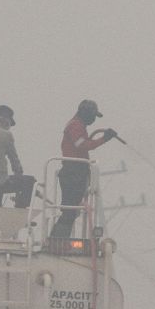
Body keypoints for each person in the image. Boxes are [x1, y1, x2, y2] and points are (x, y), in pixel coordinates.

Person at [51, 99, 119, 239]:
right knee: (70, 210)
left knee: (72, 210)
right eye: (93, 115)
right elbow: (82, 145)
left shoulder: (78, 125)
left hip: (76, 172)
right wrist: (104, 139)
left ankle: (59, 240)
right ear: (85, 113)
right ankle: (57, 240)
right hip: (72, 173)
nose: (93, 119)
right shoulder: (76, 126)